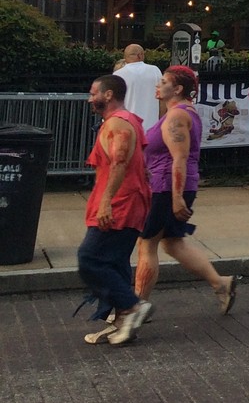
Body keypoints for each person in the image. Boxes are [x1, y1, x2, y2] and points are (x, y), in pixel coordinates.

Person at [134, 66, 237, 318]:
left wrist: (177, 197)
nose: (158, 85)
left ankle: (136, 307)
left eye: (164, 81)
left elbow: (179, 158)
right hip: (168, 186)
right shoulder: (176, 113)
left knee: (147, 245)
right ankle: (221, 283)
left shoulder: (177, 116)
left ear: (178, 89)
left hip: (166, 188)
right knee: (172, 242)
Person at [77, 74, 153, 346]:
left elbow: (120, 163)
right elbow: (139, 164)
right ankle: (123, 321)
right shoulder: (127, 120)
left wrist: (106, 201)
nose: (90, 98)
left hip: (120, 205)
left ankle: (133, 307)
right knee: (115, 262)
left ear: (108, 95)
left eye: (93, 93)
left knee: (90, 259)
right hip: (129, 202)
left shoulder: (118, 124)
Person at [113, 44, 163, 131]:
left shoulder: (118, 74)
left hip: (127, 126)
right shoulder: (155, 70)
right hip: (151, 126)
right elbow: (162, 99)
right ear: (140, 55)